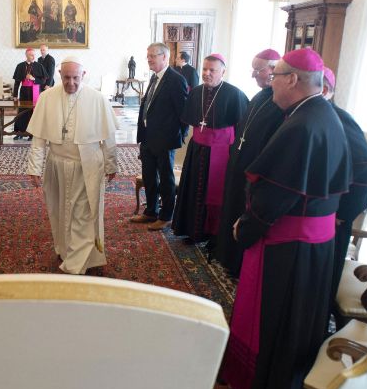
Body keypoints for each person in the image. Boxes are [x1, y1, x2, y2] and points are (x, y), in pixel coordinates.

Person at [220, 49, 351, 389]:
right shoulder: (322, 114)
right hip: (313, 243)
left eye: (275, 76)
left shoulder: (301, 126)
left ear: (292, 79)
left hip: (288, 246)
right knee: (296, 326)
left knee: (275, 324)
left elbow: (273, 197)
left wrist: (244, 228)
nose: (270, 83)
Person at [26, 57, 118, 274]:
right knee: (59, 210)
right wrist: (34, 168)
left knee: (83, 214)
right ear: (59, 74)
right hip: (56, 165)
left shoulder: (97, 99)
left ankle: (76, 264)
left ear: (83, 75)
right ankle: (66, 249)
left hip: (88, 165)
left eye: (75, 78)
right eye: (66, 78)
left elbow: (108, 138)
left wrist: (111, 164)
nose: (71, 83)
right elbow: (38, 139)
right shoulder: (47, 97)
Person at [214, 49, 285, 277]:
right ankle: (226, 255)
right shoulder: (259, 97)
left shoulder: (280, 105)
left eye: (258, 69)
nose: (253, 74)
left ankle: (238, 264)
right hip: (239, 166)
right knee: (231, 208)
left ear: (273, 69)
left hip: (254, 173)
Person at [172, 53, 247, 243]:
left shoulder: (234, 94)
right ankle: (194, 231)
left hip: (221, 153)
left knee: (216, 194)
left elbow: (241, 128)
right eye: (204, 69)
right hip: (197, 150)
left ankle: (215, 235)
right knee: (194, 189)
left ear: (223, 71)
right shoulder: (196, 92)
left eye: (212, 70)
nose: (207, 73)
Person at [323, 66, 367, 319]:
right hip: (317, 215)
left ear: (324, 90)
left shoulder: (337, 118)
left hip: (332, 219)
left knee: (321, 287)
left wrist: (343, 214)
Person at [130, 43, 188, 231]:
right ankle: (151, 212)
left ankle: (166, 216)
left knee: (165, 179)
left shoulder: (176, 80)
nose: (149, 59)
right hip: (148, 137)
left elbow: (183, 113)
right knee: (149, 177)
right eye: (148, 56)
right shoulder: (154, 78)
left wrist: (179, 136)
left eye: (152, 56)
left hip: (165, 140)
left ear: (164, 57)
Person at [12, 48, 47, 139]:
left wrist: (33, 79)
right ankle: (20, 132)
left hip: (34, 92)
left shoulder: (39, 66)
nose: (33, 57)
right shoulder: (20, 66)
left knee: (33, 112)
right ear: (26, 55)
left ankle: (32, 133)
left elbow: (43, 80)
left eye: (34, 55)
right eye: (31, 55)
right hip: (24, 92)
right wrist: (15, 95)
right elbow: (17, 82)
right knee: (22, 112)